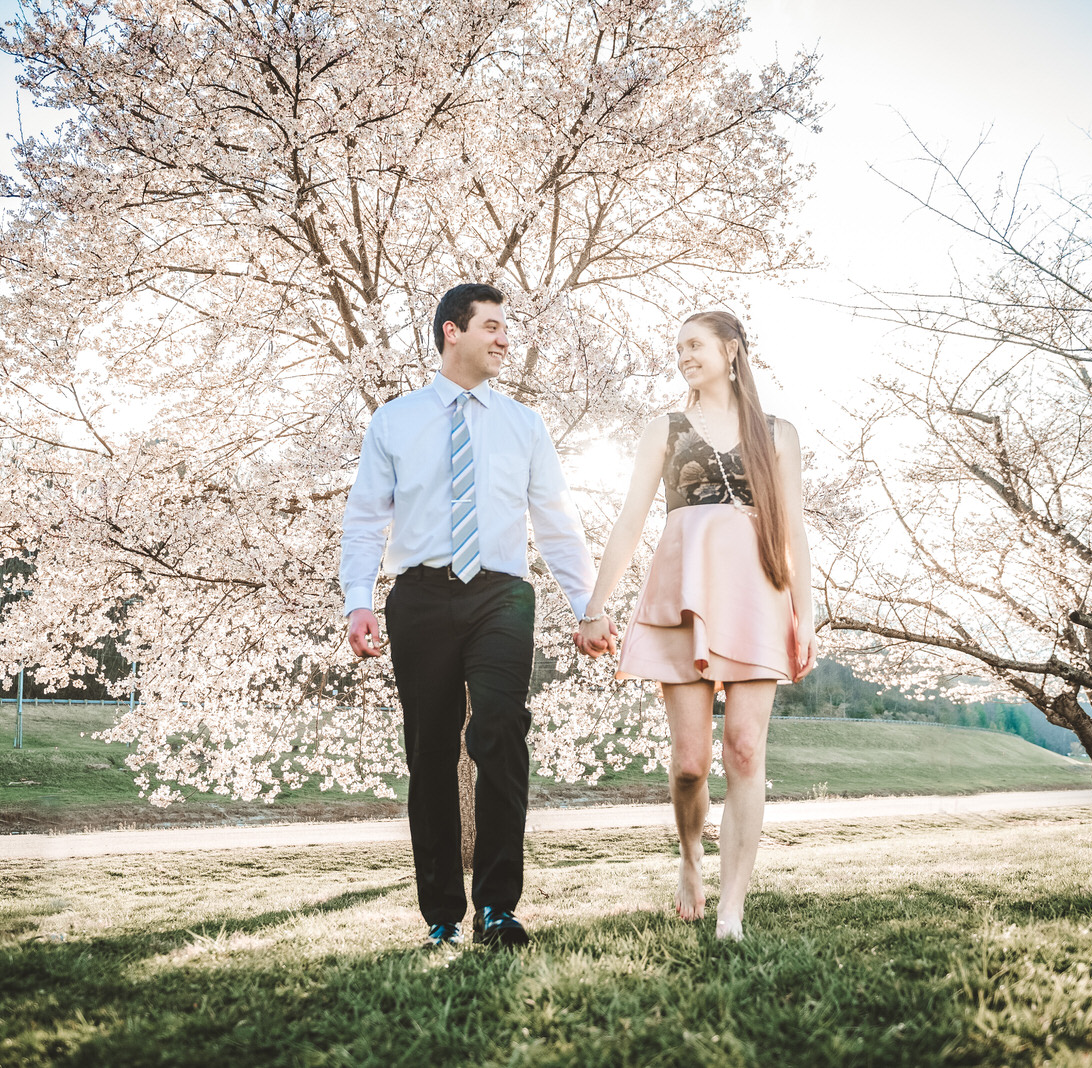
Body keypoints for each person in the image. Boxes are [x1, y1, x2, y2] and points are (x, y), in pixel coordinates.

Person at [340, 283, 597, 950]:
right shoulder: (394, 422)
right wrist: (359, 601)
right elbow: (366, 520)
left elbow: (558, 523)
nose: (504, 338)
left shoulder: (525, 424)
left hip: (502, 596)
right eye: (492, 326)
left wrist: (589, 606)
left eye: (505, 327)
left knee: (502, 733)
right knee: (429, 753)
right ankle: (441, 916)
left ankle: (497, 909)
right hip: (420, 599)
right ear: (452, 332)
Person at [574, 310, 815, 941]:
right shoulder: (667, 427)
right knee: (690, 762)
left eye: (695, 345)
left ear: (732, 350)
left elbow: (793, 533)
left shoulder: (778, 433)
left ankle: (732, 909)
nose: (683, 355)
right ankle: (690, 859)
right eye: (678, 347)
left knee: (743, 748)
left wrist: (805, 614)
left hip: (759, 599)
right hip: (683, 596)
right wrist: (596, 604)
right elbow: (629, 521)